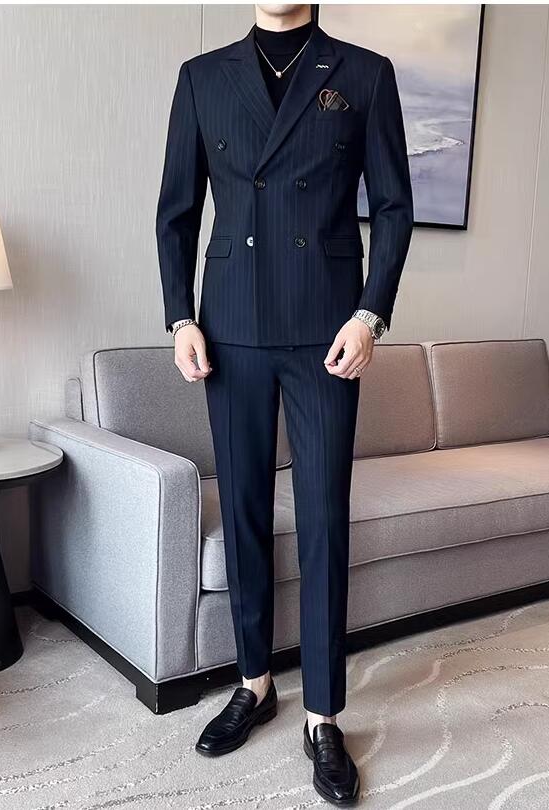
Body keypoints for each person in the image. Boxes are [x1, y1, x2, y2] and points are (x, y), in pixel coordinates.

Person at [156, 3, 413, 805]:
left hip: (327, 329)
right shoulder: (202, 79)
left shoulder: (364, 73)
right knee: (240, 510)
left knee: (324, 517)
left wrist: (370, 315)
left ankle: (323, 714)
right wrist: (179, 318)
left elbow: (393, 207)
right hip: (229, 326)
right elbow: (176, 212)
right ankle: (254, 682)